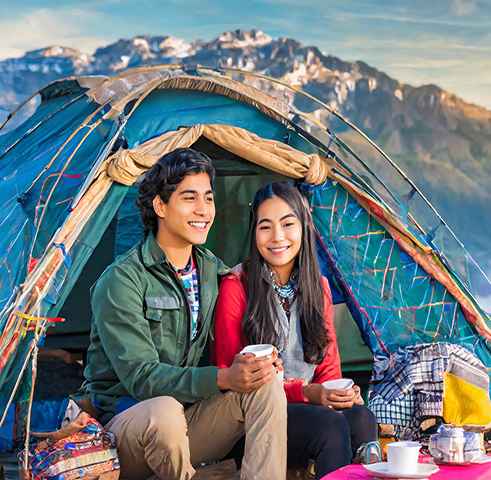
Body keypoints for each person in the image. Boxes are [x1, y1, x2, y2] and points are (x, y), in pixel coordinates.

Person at [75, 148, 286, 480]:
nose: (203, 210)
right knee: (164, 409)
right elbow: (142, 378)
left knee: (265, 384)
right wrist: (223, 377)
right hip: (122, 435)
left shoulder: (210, 270)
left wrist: (258, 365)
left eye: (209, 198)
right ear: (161, 205)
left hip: (187, 425)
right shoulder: (122, 280)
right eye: (190, 198)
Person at [214, 181, 378, 479]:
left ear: (303, 227)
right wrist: (308, 392)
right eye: (265, 227)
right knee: (330, 425)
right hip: (250, 419)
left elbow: (328, 370)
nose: (277, 237)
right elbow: (229, 377)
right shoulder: (235, 286)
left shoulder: (319, 288)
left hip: (307, 412)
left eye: (288, 224)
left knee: (362, 418)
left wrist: (341, 393)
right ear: (254, 233)